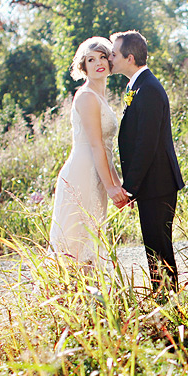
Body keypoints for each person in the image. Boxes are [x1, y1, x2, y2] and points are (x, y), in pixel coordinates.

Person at [108, 30, 185, 290]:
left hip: (158, 183)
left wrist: (130, 187)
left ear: (129, 58)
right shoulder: (138, 85)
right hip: (152, 183)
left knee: (159, 247)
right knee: (154, 247)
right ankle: (164, 299)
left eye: (114, 54)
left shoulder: (149, 88)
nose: (110, 58)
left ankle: (169, 301)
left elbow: (146, 144)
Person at [49, 37, 129, 264]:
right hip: (82, 173)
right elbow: (95, 145)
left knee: (92, 236)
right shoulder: (86, 97)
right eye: (91, 59)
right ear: (83, 67)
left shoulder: (101, 97)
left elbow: (106, 148)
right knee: (76, 240)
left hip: (98, 171)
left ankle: (89, 294)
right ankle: (66, 293)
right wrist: (111, 187)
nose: (98, 63)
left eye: (103, 56)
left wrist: (118, 185)